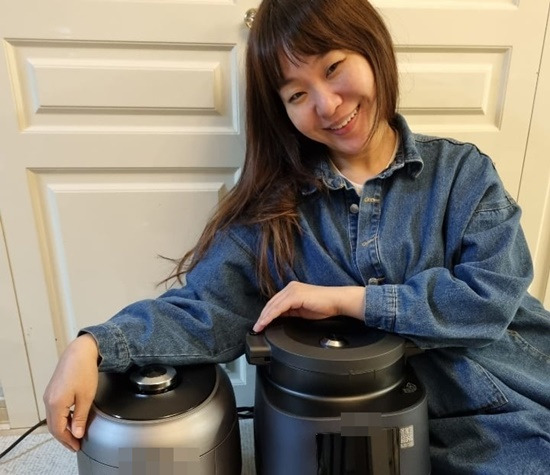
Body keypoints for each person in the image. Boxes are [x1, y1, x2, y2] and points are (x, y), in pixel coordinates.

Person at [43, 0, 550, 472]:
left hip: (522, 382)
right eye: (297, 94)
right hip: (405, 433)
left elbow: (490, 299)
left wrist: (351, 301)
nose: (327, 105)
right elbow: (204, 311)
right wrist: (92, 346)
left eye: (332, 68)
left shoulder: (461, 173)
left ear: (370, 47)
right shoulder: (275, 215)